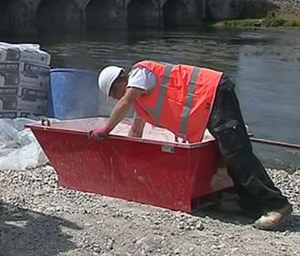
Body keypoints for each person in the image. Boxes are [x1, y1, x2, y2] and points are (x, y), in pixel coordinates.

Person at [90, 60, 293, 230]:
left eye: (115, 93)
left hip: (214, 91)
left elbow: (125, 102)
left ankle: (276, 204)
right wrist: (132, 173)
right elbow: (136, 132)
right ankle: (250, 204)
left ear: (121, 80)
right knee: (229, 151)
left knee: (236, 153)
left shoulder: (140, 73)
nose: (117, 98)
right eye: (114, 97)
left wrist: (105, 130)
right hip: (207, 105)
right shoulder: (141, 102)